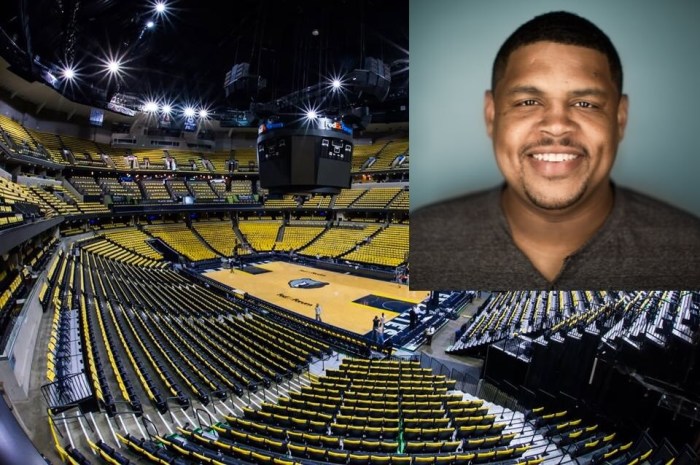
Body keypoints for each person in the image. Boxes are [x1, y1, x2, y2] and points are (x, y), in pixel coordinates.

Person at [410, 11, 700, 290]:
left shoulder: (690, 251)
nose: (558, 126)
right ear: (491, 115)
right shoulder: (422, 238)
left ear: (620, 119)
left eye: (586, 104)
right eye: (528, 102)